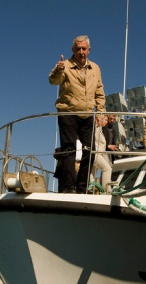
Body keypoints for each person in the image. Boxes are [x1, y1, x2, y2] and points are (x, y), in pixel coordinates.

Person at [49, 35, 106, 193]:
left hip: (87, 115)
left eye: (84, 48)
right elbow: (53, 81)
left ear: (89, 50)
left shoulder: (95, 68)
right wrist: (58, 70)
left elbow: (99, 92)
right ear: (73, 50)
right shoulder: (64, 65)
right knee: (69, 151)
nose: (81, 51)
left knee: (90, 151)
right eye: (78, 48)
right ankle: (68, 188)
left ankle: (82, 188)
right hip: (68, 113)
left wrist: (100, 112)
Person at [91, 115, 113, 193]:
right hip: (96, 153)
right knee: (107, 168)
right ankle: (106, 191)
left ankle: (90, 189)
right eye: (105, 120)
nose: (106, 122)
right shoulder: (95, 128)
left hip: (99, 154)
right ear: (99, 119)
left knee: (92, 173)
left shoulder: (100, 129)